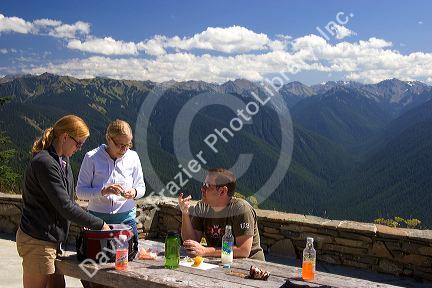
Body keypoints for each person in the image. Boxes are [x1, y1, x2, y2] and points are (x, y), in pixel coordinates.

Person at [16, 115, 110, 288]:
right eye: (78, 143)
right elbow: (65, 206)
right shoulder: (45, 163)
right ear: (65, 137)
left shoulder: (62, 160)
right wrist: (100, 224)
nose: (79, 148)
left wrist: (84, 221)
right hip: (38, 241)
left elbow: (68, 200)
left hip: (50, 240)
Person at [76, 119, 146, 258]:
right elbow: (80, 192)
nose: (124, 149)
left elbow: (141, 187)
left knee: (128, 258)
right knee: (94, 261)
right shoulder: (92, 157)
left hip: (126, 219)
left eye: (128, 144)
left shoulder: (133, 157)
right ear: (109, 138)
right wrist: (103, 191)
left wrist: (134, 192)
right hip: (97, 219)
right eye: (120, 145)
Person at [178, 168, 265, 261]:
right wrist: (185, 213)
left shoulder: (241, 209)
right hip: (220, 262)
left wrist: (205, 251)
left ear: (223, 191)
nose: (202, 188)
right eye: (203, 184)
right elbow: (191, 242)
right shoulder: (202, 207)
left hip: (251, 265)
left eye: (207, 185)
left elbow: (243, 251)